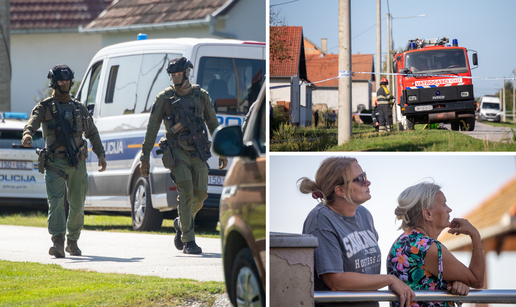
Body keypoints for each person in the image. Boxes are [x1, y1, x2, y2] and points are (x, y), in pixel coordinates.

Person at [139, 56, 228, 255]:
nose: (176, 77)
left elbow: (213, 123)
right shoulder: (164, 98)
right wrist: (144, 157)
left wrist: (222, 149)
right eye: (173, 75)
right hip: (176, 150)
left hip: (198, 151)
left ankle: (181, 222)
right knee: (186, 191)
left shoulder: (201, 96)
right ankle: (189, 240)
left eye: (179, 73)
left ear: (187, 73)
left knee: (201, 193)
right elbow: (152, 127)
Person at [299, 157, 415, 307]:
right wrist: (390, 279)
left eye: (365, 176)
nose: (368, 182)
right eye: (360, 179)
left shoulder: (364, 214)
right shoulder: (320, 220)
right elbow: (336, 281)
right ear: (340, 190)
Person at [22, 64, 107, 258]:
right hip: (54, 162)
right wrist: (27, 134)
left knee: (77, 204)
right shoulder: (45, 107)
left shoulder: (79, 108)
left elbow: (92, 132)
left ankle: (73, 241)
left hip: (77, 162)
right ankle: (58, 242)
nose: (65, 84)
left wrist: (101, 154)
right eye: (61, 81)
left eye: (68, 81)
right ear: (54, 82)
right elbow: (33, 122)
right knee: (57, 203)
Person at [387, 181, 485, 307]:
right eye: (444, 204)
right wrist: (475, 235)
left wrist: (456, 282)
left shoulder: (403, 242)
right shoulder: (429, 248)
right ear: (428, 214)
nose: (449, 209)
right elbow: (477, 281)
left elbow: (425, 278)